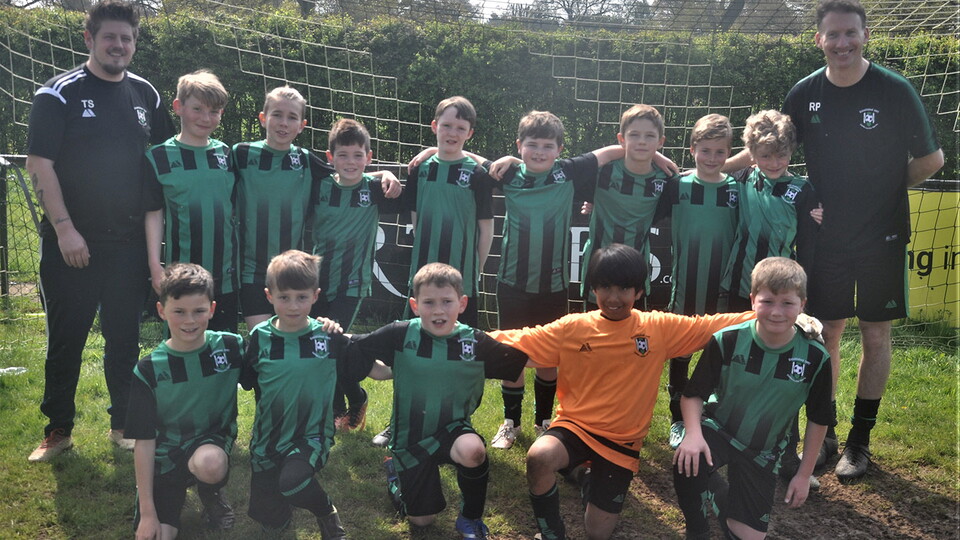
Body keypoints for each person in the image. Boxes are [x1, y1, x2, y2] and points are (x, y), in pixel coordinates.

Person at [726, 0, 945, 480]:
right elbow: (767, 146)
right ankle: (819, 438)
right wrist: (709, 172)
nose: (842, 43)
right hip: (824, 236)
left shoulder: (894, 90)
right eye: (833, 35)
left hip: (883, 233)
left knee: (875, 332)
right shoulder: (804, 93)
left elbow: (932, 160)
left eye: (851, 33)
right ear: (818, 40)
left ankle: (860, 443)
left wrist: (885, 187)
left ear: (866, 35)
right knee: (825, 334)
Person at [489, 244, 755, 540]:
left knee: (597, 533)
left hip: (621, 444)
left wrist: (770, 316)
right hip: (575, 428)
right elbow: (517, 340)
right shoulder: (572, 328)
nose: (614, 298)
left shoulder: (658, 328)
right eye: (605, 287)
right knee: (539, 457)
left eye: (624, 288)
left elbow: (711, 326)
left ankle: (585, 475)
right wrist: (455, 337)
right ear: (593, 290)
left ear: (639, 292)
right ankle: (552, 534)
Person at [25, 0, 176, 462]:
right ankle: (58, 429)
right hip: (72, 242)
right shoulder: (58, 93)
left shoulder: (146, 94)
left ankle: (122, 423)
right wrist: (66, 229)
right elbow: (39, 165)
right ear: (89, 39)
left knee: (124, 337)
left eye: (127, 38)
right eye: (110, 37)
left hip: (128, 243)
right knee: (67, 335)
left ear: (134, 43)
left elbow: (168, 159)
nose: (119, 45)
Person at [348, 262, 533, 539]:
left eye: (446, 302)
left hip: (453, 429)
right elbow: (357, 348)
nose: (438, 310)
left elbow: (521, 362)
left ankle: (470, 518)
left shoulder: (475, 342)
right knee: (422, 521)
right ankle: (396, 473)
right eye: (429, 302)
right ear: (414, 305)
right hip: (411, 437)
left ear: (462, 303)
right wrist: (327, 330)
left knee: (474, 450)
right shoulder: (399, 334)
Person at [486, 111, 624, 451]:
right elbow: (465, 157)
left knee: (550, 356)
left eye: (548, 146)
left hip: (553, 284)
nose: (539, 152)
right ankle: (511, 422)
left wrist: (655, 153)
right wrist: (429, 152)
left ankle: (544, 420)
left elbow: (608, 152)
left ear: (559, 149)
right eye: (531, 145)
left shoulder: (567, 171)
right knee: (510, 354)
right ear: (519, 146)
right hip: (512, 282)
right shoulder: (509, 173)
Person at [672, 257, 834, 540]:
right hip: (718, 431)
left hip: (763, 450)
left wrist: (803, 474)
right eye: (767, 301)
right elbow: (692, 395)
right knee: (688, 460)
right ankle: (697, 531)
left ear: (802, 305)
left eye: (787, 303)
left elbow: (819, 419)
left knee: (746, 537)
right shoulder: (727, 340)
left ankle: (721, 498)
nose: (776, 312)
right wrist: (694, 434)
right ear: (752, 300)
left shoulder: (816, 357)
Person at [239, 250, 390, 538]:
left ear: (315, 295)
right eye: (284, 297)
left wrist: (404, 368)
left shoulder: (328, 337)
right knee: (269, 517)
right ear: (269, 295)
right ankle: (279, 515)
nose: (293, 305)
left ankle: (326, 513)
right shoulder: (259, 337)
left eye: (302, 297)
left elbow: (374, 369)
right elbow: (245, 378)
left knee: (293, 482)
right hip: (268, 437)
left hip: (311, 434)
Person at [234, 87, 401, 332]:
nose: (283, 123)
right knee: (265, 341)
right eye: (277, 115)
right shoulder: (241, 154)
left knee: (303, 342)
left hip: (294, 274)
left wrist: (384, 173)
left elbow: (345, 173)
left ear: (301, 125)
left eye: (292, 117)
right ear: (263, 118)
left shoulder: (304, 160)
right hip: (251, 269)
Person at [124, 264, 241, 539]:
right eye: (179, 312)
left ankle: (210, 490)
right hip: (166, 458)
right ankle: (166, 499)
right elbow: (144, 442)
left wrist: (326, 330)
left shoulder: (231, 347)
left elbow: (279, 349)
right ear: (162, 311)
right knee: (158, 535)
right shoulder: (149, 369)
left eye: (198, 311)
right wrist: (148, 513)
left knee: (210, 463)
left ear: (211, 309)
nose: (190, 321)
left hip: (208, 445)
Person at [310, 118, 401, 432]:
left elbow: (391, 182)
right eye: (343, 155)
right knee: (322, 347)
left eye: (357, 155)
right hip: (317, 282)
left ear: (369, 157)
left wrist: (386, 174)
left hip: (352, 282)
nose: (350, 162)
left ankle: (341, 409)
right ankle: (355, 398)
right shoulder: (319, 185)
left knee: (330, 344)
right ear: (330, 156)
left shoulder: (375, 189)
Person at [660, 114, 740, 448]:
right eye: (704, 150)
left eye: (719, 152)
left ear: (728, 153)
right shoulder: (677, 185)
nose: (711, 158)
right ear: (692, 149)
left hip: (722, 287)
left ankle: (713, 414)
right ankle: (678, 419)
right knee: (680, 351)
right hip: (686, 283)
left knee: (719, 351)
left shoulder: (737, 190)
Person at [144, 69, 238, 332]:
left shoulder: (226, 155)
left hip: (225, 277)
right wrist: (155, 266)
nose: (206, 118)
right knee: (182, 348)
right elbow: (153, 212)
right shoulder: (158, 157)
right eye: (197, 109)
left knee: (224, 353)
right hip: (180, 276)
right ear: (178, 107)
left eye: (214, 111)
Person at [401, 96, 495, 329]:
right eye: (447, 126)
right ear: (435, 126)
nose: (452, 133)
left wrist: (478, 268)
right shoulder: (419, 169)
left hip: (462, 272)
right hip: (424, 266)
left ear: (469, 133)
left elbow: (486, 227)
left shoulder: (478, 174)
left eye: (460, 128)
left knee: (460, 340)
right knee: (416, 334)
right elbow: (416, 216)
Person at [720, 110, 819, 313]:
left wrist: (803, 292)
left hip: (781, 289)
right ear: (752, 154)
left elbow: (808, 248)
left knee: (774, 342)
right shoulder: (741, 178)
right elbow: (708, 170)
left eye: (781, 155)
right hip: (738, 284)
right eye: (765, 156)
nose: (774, 163)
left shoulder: (803, 190)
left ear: (791, 151)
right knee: (738, 340)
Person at [579, 104, 675, 307]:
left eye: (650, 136)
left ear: (660, 142)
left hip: (635, 271)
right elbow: (564, 169)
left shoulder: (666, 179)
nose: (641, 141)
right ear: (621, 139)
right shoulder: (601, 171)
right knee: (593, 335)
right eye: (634, 135)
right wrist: (516, 161)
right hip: (597, 269)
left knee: (632, 335)